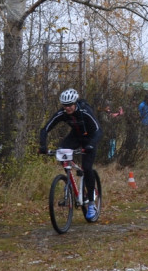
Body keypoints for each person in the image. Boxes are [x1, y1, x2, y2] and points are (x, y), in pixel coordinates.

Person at [39, 88, 102, 219]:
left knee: (87, 168)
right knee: (61, 151)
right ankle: (70, 183)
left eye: (69, 105)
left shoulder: (85, 111)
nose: (67, 108)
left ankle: (91, 203)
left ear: (75, 103)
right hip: (75, 136)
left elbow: (98, 130)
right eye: (64, 105)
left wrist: (91, 144)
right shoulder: (61, 113)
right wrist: (43, 146)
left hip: (90, 138)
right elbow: (45, 129)